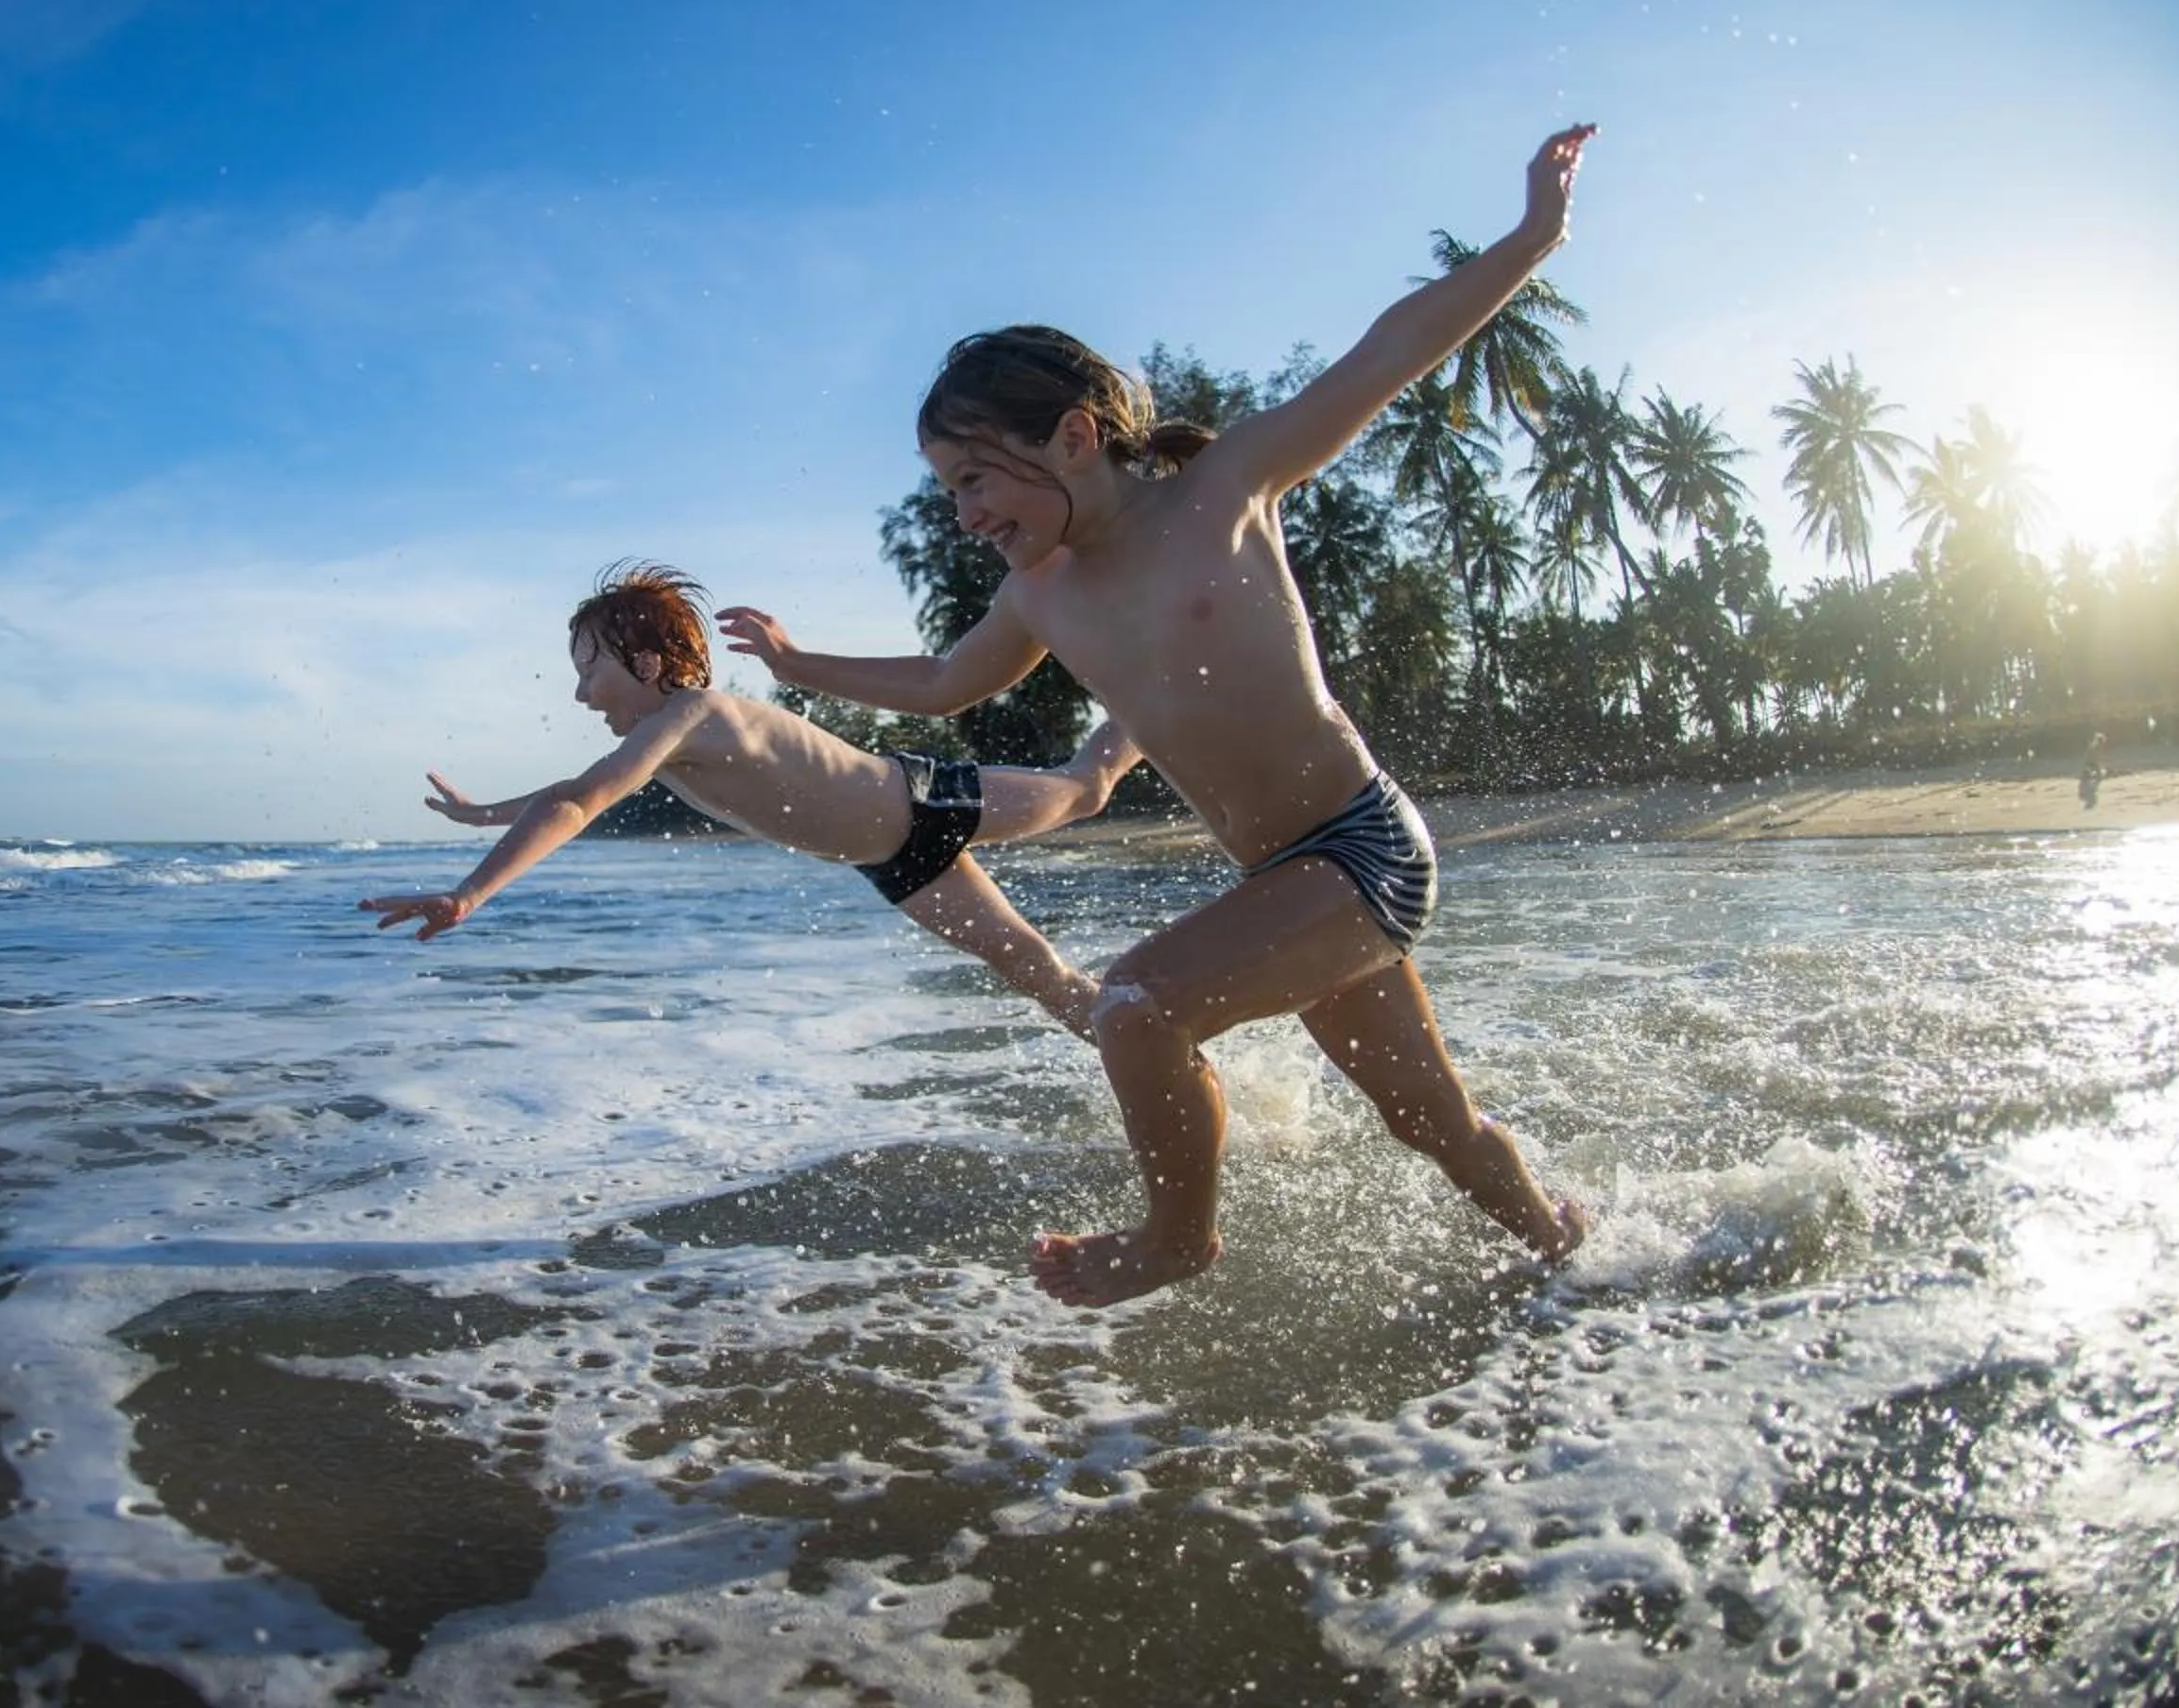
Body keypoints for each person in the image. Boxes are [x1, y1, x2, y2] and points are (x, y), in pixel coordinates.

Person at [717, 127, 1601, 1307]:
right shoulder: (1039, 593)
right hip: (1285, 884)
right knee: (1430, 1122)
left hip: (1364, 851)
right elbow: (943, 683)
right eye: (947, 489)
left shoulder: (1224, 492)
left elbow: (1385, 353)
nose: (962, 511)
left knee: (1136, 1005)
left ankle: (1177, 1239)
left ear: (1074, 438)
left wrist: (1535, 233)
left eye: (974, 477)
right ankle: (1570, 1251)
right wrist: (793, 658)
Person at [361, 562, 1141, 1042]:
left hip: (926, 802)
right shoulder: (659, 745)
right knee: (1036, 971)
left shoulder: (693, 714)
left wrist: (471, 894)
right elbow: (569, 793)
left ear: (644, 662)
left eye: (589, 670)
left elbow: (576, 800)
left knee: (1085, 788)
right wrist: (484, 812)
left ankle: (1156, 689)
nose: (578, 692)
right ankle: (1149, 1047)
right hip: (896, 863)